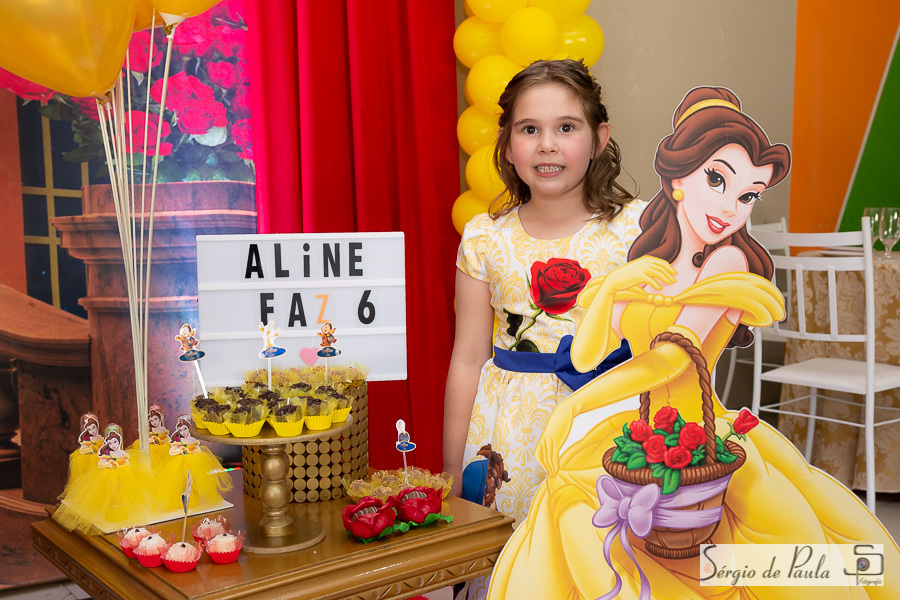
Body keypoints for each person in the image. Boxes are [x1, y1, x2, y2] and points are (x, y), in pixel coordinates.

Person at [486, 86, 900, 599]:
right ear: (678, 177)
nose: (730, 209)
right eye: (718, 180)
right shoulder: (647, 259)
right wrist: (614, 287)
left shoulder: (729, 261)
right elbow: (587, 354)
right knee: (574, 526)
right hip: (636, 436)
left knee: (744, 570)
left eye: (748, 195)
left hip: (700, 441)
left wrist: (573, 411)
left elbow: (671, 359)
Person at [443, 59, 644, 599]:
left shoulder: (639, 229)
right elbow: (466, 358)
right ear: (507, 145)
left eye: (567, 127)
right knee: (512, 566)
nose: (547, 145)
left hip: (605, 422)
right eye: (530, 130)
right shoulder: (485, 238)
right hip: (507, 435)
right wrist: (451, 470)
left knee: (596, 560)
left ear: (600, 138)